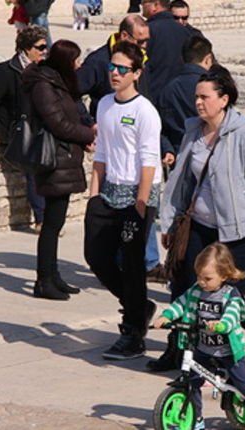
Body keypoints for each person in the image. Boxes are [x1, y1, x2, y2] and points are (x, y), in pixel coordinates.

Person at [155, 65, 245, 374]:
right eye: (197, 97)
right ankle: (183, 352)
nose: (199, 103)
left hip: (236, 232)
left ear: (224, 99)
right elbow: (181, 181)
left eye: (205, 97)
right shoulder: (193, 130)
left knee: (234, 294)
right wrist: (170, 222)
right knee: (186, 286)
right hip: (199, 225)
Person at [84, 41, 161, 360]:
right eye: (111, 67)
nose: (114, 73)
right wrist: (93, 195)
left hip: (138, 194)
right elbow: (101, 151)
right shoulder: (103, 104)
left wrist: (140, 204)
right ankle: (139, 305)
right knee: (96, 257)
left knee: (131, 265)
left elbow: (148, 160)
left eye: (122, 69)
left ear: (137, 74)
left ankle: (133, 333)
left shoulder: (145, 111)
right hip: (108, 191)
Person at [152, 243, 245, 430]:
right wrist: (166, 316)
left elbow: (232, 315)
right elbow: (181, 303)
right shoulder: (196, 290)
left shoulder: (230, 296)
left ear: (224, 275)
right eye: (199, 277)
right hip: (203, 347)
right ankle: (197, 419)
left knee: (244, 384)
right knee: (192, 381)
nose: (202, 282)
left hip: (228, 351)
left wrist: (220, 325)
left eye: (207, 278)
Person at [21, 39, 96, 301]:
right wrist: (87, 135)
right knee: (51, 225)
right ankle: (44, 280)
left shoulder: (57, 82)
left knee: (57, 220)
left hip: (64, 158)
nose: (79, 65)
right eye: (75, 60)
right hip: (53, 160)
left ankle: (53, 276)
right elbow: (58, 123)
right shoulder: (44, 85)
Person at [0, 25, 49, 233]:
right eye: (40, 47)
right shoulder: (5, 70)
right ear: (26, 49)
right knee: (33, 173)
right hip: (17, 130)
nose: (45, 51)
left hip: (40, 128)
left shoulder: (44, 69)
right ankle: (41, 219)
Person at [77, 15, 149, 119]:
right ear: (124, 36)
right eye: (140, 41)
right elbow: (72, 92)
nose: (144, 46)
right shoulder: (98, 61)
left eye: (147, 40)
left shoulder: (142, 57)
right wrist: (89, 122)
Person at [158, 35, 214, 156]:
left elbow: (161, 127)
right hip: (208, 153)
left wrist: (168, 149)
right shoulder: (213, 88)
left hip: (178, 152)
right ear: (208, 59)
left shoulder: (168, 89)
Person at [140, 0, 192, 104]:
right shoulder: (185, 32)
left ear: (155, 5)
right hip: (178, 97)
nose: (141, 5)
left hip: (152, 96)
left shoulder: (145, 31)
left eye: (144, 2)